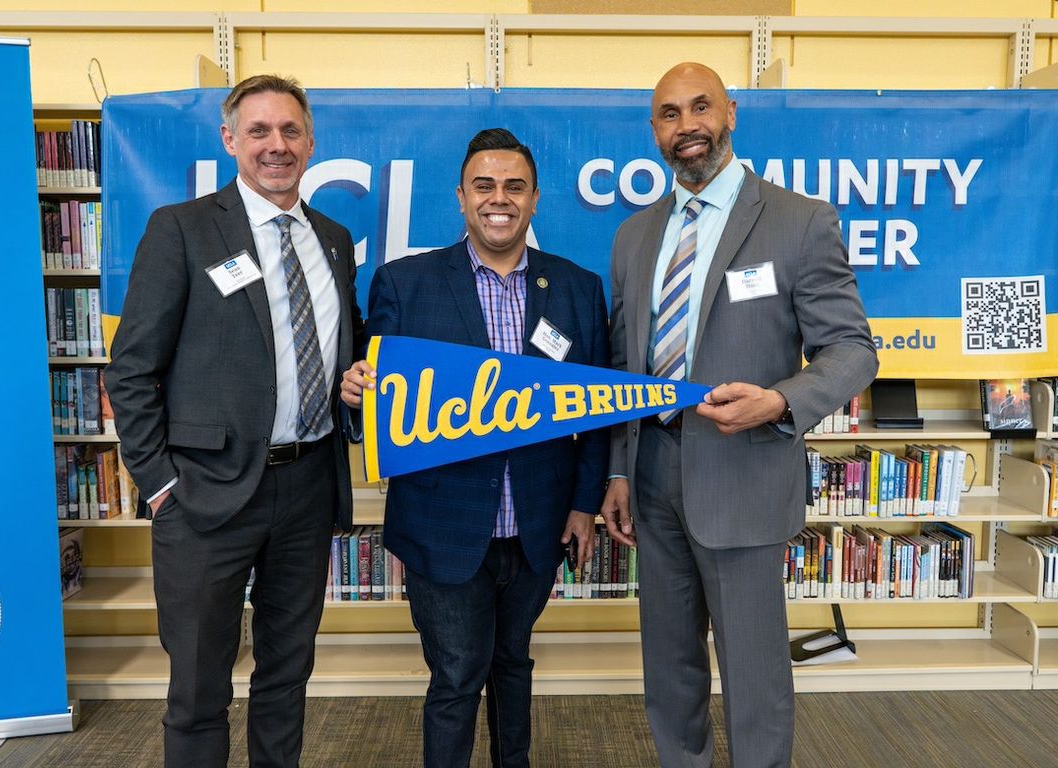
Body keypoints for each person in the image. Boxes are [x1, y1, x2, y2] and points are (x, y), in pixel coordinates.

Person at [599, 63, 878, 768]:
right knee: (669, 667)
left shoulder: (798, 220)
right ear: (654, 130)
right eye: (668, 113)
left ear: (730, 113)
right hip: (653, 474)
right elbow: (622, 364)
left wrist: (782, 400)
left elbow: (852, 352)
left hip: (744, 475)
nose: (686, 125)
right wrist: (619, 470)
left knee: (754, 676)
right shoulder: (634, 236)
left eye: (700, 108)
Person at [105, 74, 365, 768]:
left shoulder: (334, 240)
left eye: (290, 131)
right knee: (197, 686)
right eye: (259, 132)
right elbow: (130, 369)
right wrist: (159, 485)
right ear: (230, 140)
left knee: (287, 675)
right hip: (202, 496)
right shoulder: (183, 230)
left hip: (307, 489)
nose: (276, 146)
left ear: (311, 142)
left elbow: (342, 354)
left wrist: (350, 386)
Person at [340, 128, 609, 768]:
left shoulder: (576, 288)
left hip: (538, 527)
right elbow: (377, 405)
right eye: (484, 186)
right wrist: (358, 395)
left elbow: (596, 415)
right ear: (461, 197)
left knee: (514, 663)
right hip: (444, 527)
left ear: (536, 200)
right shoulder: (405, 284)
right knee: (458, 675)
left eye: (514, 187)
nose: (499, 199)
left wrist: (582, 505)